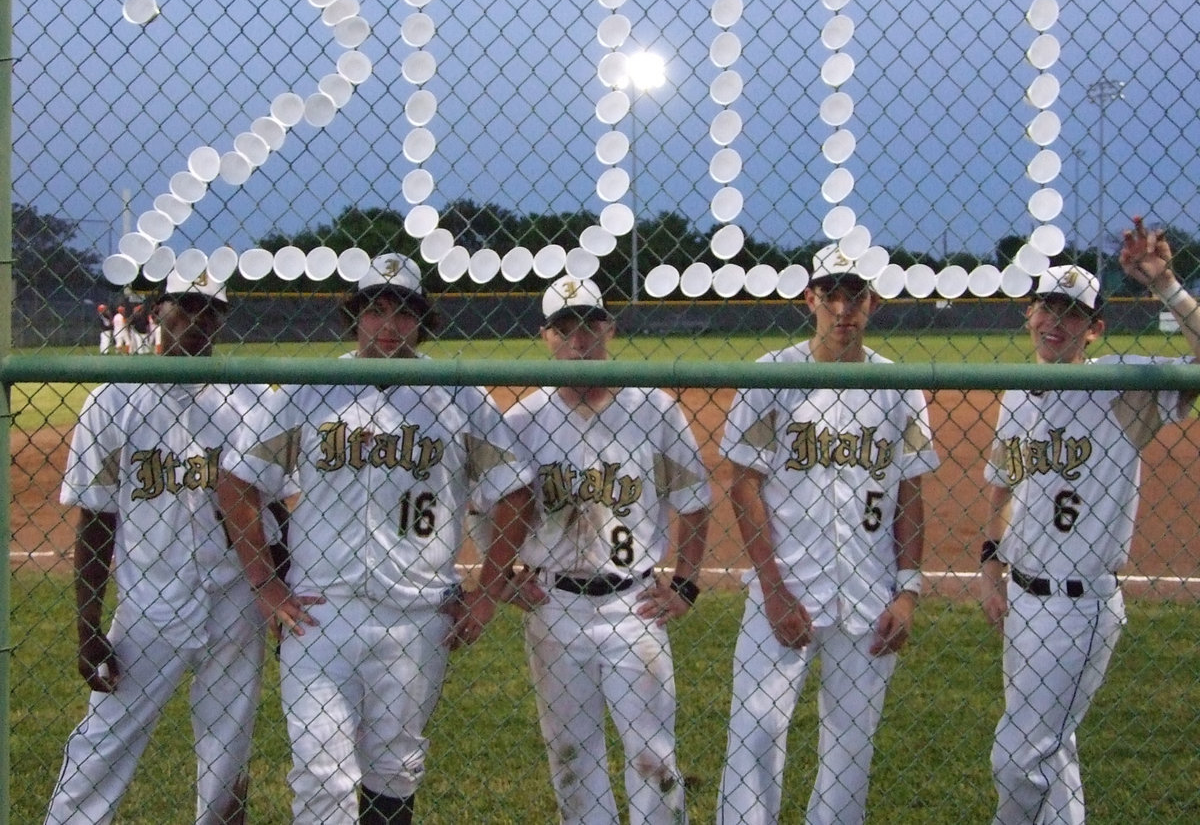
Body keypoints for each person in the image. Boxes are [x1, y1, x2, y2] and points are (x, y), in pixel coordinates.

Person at [217, 253, 538, 825]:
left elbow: (514, 491)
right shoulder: (309, 388)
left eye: (403, 314)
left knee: (394, 767)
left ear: (422, 321)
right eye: (375, 311)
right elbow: (238, 480)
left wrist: (488, 593)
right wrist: (265, 583)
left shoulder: (456, 392)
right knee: (321, 776)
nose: (388, 326)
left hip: (419, 615)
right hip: (322, 611)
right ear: (354, 317)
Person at [980, 219, 1200, 825]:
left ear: (1094, 328)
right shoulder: (1018, 392)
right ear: (1029, 314)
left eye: (1073, 314)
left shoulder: (1121, 386)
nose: (1057, 322)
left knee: (1016, 756)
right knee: (1054, 758)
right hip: (1021, 599)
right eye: (1048, 307)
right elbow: (1002, 485)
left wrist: (1167, 285)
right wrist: (988, 564)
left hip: (1080, 607)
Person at [716, 244, 941, 825]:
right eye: (831, 295)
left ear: (874, 302)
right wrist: (771, 589)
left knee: (850, 750)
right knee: (756, 733)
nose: (843, 308)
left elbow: (911, 492)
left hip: (870, 593)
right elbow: (742, 484)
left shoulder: (899, 385)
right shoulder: (772, 376)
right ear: (809, 299)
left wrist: (909, 590)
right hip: (787, 587)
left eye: (855, 295)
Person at [45, 272, 271, 825]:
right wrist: (87, 627)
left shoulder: (249, 397)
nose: (198, 320)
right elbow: (95, 522)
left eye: (211, 310)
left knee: (229, 739)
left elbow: (274, 509)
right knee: (107, 734)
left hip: (235, 596)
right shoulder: (114, 399)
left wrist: (276, 594)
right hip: (150, 601)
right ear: (157, 309)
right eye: (185, 306)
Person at [505, 276, 712, 825]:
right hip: (554, 604)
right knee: (571, 755)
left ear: (610, 328)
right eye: (565, 327)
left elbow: (695, 502)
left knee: (653, 753)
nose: (580, 339)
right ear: (545, 337)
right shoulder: (523, 422)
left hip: (634, 603)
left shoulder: (654, 408)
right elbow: (490, 506)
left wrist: (685, 583)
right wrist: (504, 572)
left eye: (590, 324)